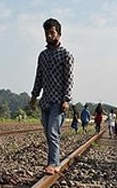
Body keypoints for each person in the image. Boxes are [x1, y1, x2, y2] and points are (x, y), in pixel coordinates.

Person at [29, 18, 74, 175]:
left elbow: (69, 79)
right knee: (48, 132)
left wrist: (66, 99)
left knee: (53, 132)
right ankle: (53, 159)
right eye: (47, 33)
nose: (49, 35)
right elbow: (39, 77)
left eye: (52, 32)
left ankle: (53, 163)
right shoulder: (43, 55)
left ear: (59, 34)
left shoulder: (65, 55)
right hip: (46, 101)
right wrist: (34, 97)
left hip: (58, 101)